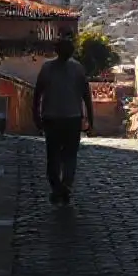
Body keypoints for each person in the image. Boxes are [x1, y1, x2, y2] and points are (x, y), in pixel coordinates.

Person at [32, 35, 93, 204]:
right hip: (61, 119)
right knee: (62, 156)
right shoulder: (71, 68)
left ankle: (61, 186)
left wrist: (90, 119)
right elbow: (37, 94)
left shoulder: (61, 68)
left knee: (61, 156)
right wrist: (90, 121)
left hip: (62, 119)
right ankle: (61, 186)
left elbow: (86, 96)